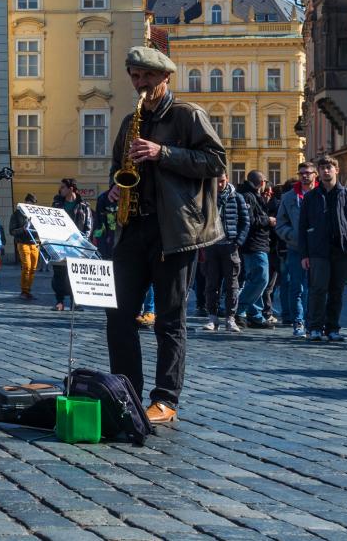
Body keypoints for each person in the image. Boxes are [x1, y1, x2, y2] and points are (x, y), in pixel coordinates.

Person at [101, 46, 224, 425]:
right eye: (135, 77)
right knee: (118, 316)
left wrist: (163, 152)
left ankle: (165, 399)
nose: (139, 84)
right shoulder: (129, 121)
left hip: (175, 231)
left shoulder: (188, 115)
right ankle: (128, 392)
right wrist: (113, 190)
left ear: (165, 78)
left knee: (170, 321)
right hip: (134, 228)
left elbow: (216, 161)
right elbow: (116, 169)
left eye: (146, 78)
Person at [299, 157, 347, 342]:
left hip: (341, 250)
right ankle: (315, 327)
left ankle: (333, 328)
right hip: (318, 251)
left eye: (329, 168)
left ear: (336, 170)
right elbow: (302, 226)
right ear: (319, 171)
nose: (326, 171)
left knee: (337, 291)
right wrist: (305, 254)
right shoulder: (311, 197)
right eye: (323, 168)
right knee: (317, 290)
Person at [203, 173, 246, 332]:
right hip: (212, 245)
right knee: (211, 284)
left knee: (232, 285)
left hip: (230, 246)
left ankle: (230, 318)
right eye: (216, 182)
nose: (219, 185)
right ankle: (212, 318)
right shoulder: (207, 196)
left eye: (222, 181)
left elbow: (245, 220)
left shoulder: (237, 197)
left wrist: (238, 241)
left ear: (227, 178)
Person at [275, 162, 314, 338]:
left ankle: (313, 321)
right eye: (302, 173)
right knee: (296, 287)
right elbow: (280, 223)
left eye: (308, 173)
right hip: (296, 248)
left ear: (315, 174)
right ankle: (298, 322)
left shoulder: (322, 194)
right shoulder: (289, 197)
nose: (305, 176)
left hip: (317, 249)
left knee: (315, 288)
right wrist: (292, 235)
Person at [237, 172, 274, 327]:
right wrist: (268, 220)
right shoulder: (248, 196)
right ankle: (240, 308)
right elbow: (250, 221)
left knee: (255, 279)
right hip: (254, 244)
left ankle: (255, 313)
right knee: (261, 278)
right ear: (261, 182)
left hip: (258, 243)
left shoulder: (252, 195)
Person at [10, 194, 42, 301]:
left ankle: (28, 290)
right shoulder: (17, 214)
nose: (31, 206)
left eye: (33, 204)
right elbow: (12, 231)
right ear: (25, 202)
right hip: (23, 243)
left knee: (33, 268)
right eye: (29, 203)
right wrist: (23, 229)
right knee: (26, 266)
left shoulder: (36, 214)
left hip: (34, 243)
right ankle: (24, 291)